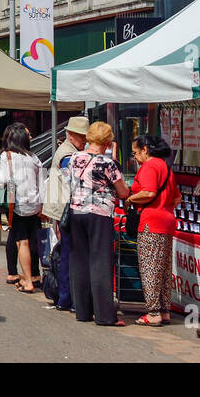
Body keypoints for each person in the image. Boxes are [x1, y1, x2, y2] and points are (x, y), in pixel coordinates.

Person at [68, 121, 130, 326]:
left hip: (76, 211)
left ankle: (83, 311)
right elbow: (123, 192)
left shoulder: (75, 158)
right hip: (99, 213)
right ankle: (104, 315)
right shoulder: (108, 164)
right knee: (100, 262)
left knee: (80, 261)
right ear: (108, 141)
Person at [126, 134, 179, 326]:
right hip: (167, 220)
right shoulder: (166, 167)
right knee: (163, 269)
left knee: (150, 268)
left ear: (145, 150)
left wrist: (131, 199)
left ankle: (154, 312)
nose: (134, 157)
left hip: (151, 221)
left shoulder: (149, 166)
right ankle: (164, 310)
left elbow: (149, 192)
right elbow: (176, 198)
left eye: (135, 152)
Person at [43, 116, 88, 312]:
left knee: (66, 252)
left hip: (64, 209)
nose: (84, 141)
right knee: (68, 253)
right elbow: (75, 179)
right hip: (65, 210)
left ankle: (65, 297)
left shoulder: (71, 151)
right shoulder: (67, 155)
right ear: (71, 135)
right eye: (82, 137)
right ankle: (65, 296)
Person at [0, 123, 45, 293]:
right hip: (35, 204)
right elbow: (42, 182)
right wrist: (41, 205)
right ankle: (32, 276)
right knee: (33, 241)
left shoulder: (6, 156)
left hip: (17, 205)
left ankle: (28, 281)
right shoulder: (34, 157)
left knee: (22, 242)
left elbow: (4, 181)